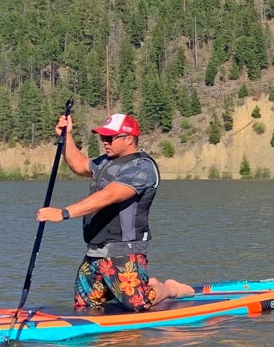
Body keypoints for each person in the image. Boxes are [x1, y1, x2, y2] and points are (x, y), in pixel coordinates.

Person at [37, 111, 194, 311]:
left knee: (138, 304)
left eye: (110, 137)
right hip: (95, 249)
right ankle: (105, 340)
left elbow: (109, 195)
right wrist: (66, 135)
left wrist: (64, 213)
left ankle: (169, 288)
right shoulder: (105, 162)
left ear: (129, 139)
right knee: (85, 305)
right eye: (103, 137)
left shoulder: (141, 167)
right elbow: (78, 164)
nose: (105, 142)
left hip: (124, 250)